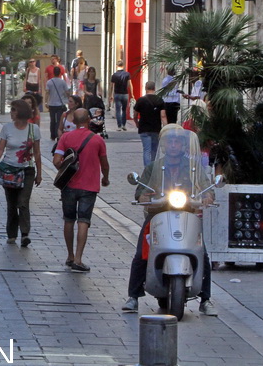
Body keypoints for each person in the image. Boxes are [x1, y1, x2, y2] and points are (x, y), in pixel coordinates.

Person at [122, 124, 217, 315]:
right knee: (142, 252)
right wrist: (144, 196)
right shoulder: (153, 168)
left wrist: (208, 196)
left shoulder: (193, 168)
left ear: (183, 146)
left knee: (203, 255)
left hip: (187, 215)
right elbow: (140, 190)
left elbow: (207, 187)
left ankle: (206, 299)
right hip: (157, 214)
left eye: (177, 142)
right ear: (164, 146)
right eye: (170, 142)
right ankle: (133, 296)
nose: (174, 145)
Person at [53, 109, 109, 272]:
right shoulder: (97, 140)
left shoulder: (66, 137)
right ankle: (78, 258)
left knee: (68, 220)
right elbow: (104, 163)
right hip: (89, 186)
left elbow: (56, 160)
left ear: (75, 121)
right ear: (89, 120)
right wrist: (105, 178)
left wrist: (65, 168)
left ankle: (70, 256)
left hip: (69, 185)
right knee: (84, 221)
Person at [0, 99, 42, 247]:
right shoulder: (7, 128)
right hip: (10, 169)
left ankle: (25, 234)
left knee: (23, 202)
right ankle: (12, 234)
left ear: (21, 112)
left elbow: (37, 153)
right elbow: (1, 148)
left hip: (27, 170)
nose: (11, 112)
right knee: (12, 204)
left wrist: (39, 173)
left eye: (13, 110)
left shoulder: (33, 129)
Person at [134, 81, 168, 166]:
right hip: (156, 129)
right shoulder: (160, 100)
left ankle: (147, 170)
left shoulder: (140, 100)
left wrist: (137, 123)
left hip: (144, 128)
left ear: (145, 88)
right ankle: (153, 168)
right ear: (154, 88)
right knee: (154, 150)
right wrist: (166, 128)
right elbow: (163, 116)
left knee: (146, 150)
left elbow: (135, 115)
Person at [108, 60, 135, 131]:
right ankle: (124, 125)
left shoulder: (114, 75)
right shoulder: (127, 74)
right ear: (123, 66)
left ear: (116, 66)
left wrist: (111, 95)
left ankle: (119, 126)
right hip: (125, 94)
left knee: (118, 110)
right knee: (124, 110)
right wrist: (132, 94)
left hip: (117, 94)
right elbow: (130, 84)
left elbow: (111, 86)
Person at [45, 67, 70, 141]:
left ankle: (52, 135)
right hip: (60, 104)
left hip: (52, 103)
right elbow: (67, 92)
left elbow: (47, 92)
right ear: (60, 73)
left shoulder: (49, 82)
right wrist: (69, 100)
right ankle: (58, 134)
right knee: (59, 120)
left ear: (53, 72)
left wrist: (46, 102)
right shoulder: (62, 82)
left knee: (52, 120)